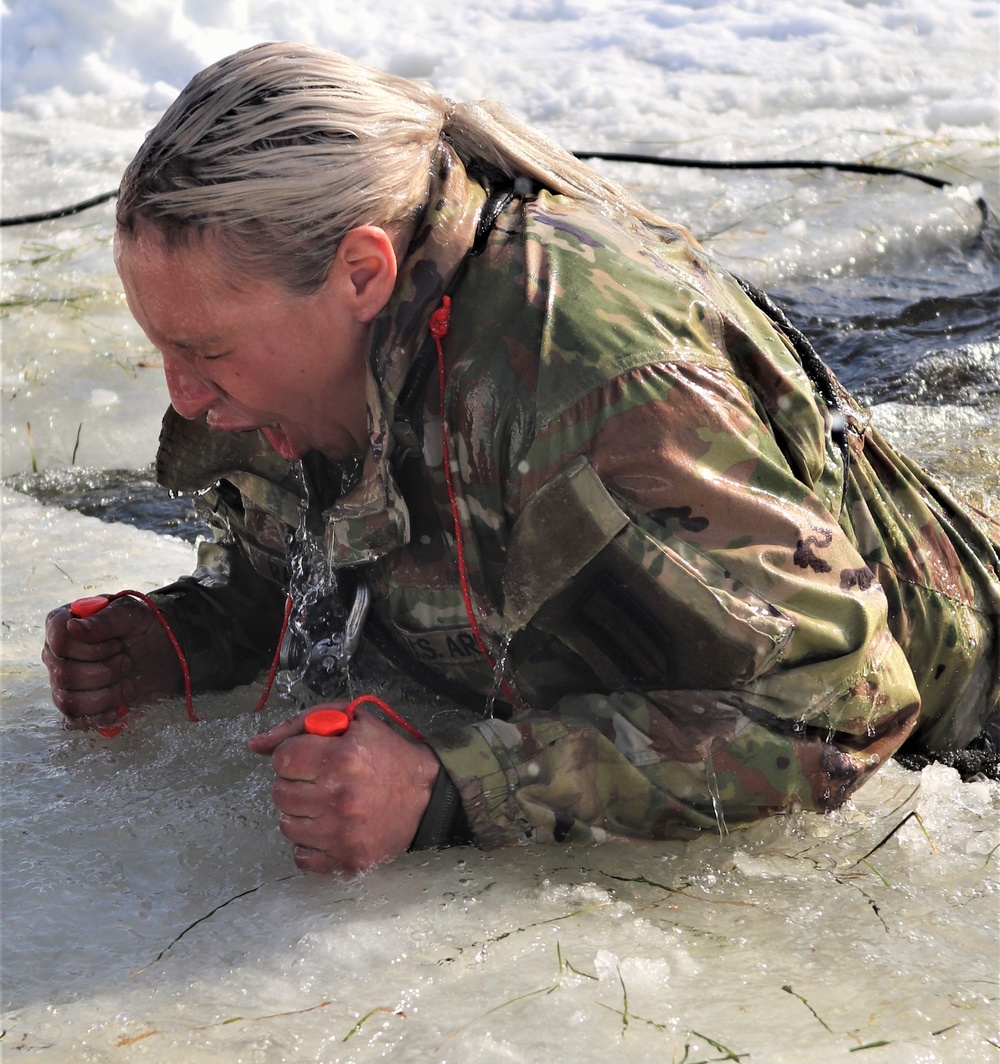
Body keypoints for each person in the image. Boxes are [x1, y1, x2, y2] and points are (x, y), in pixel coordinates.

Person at [43, 44, 1000, 873]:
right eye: (160, 348)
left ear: (364, 272)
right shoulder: (292, 357)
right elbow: (314, 569)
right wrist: (186, 638)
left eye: (206, 352)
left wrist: (448, 789)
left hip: (965, 753)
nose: (182, 394)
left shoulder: (592, 381)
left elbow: (838, 706)